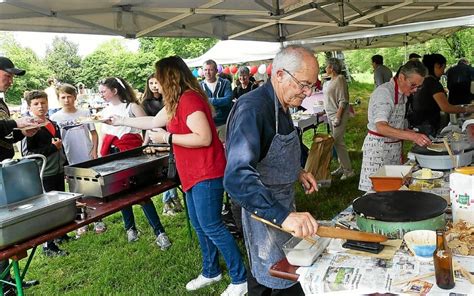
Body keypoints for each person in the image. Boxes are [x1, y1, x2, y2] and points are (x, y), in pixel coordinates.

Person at [107, 56, 248, 296]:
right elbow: (152, 120)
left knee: (212, 225)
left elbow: (203, 137)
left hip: (207, 171)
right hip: (192, 173)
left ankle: (240, 278)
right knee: (199, 224)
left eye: (159, 79)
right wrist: (118, 120)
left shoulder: (190, 99)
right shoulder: (176, 101)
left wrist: (168, 138)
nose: (156, 84)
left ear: (169, 78)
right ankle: (211, 271)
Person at [224, 46, 320, 295]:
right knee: (271, 271)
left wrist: (298, 170)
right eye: (303, 84)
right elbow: (237, 176)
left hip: (283, 201)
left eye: (312, 86)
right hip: (260, 206)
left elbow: (276, 147)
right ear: (279, 75)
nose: (307, 92)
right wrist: (284, 217)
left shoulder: (283, 104)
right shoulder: (253, 109)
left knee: (282, 271)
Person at [99, 77, 171, 250]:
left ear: (115, 91)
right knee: (120, 193)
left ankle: (159, 232)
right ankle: (130, 228)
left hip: (131, 153)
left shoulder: (131, 107)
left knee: (141, 193)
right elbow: (105, 133)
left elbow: (149, 125)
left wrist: (145, 145)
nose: (101, 94)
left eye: (103, 91)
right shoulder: (104, 110)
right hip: (113, 155)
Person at [0, 56, 42, 295]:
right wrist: (15, 122)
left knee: (5, 228)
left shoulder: (2, 103)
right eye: (7, 75)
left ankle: (8, 280)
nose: (11, 81)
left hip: (4, 169)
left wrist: (23, 133)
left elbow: (5, 136)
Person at [359, 60, 432, 192]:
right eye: (413, 85)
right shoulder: (384, 93)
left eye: (418, 87)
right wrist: (412, 136)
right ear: (402, 77)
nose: (415, 90)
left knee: (394, 190)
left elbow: (395, 122)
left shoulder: (403, 94)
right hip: (378, 150)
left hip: (393, 148)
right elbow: (381, 127)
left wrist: (410, 131)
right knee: (376, 192)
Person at [50, 83, 105, 236]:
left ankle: (98, 219)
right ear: (58, 99)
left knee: (93, 188)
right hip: (69, 157)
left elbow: (93, 133)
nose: (66, 100)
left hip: (87, 155)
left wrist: (94, 151)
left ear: (75, 97)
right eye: (63, 97)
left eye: (69, 96)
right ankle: (82, 220)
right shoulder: (55, 118)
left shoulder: (84, 112)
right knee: (76, 191)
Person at [21, 90, 69, 257]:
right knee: (49, 207)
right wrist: (51, 148)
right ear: (29, 107)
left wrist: (65, 165)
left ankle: (61, 234)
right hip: (44, 172)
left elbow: (60, 147)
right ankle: (48, 245)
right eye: (36, 104)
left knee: (61, 202)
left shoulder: (53, 123)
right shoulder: (29, 127)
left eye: (43, 103)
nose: (40, 106)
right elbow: (27, 154)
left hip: (58, 169)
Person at [141, 74, 183, 216]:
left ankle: (173, 198)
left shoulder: (170, 100)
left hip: (171, 137)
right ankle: (169, 200)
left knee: (172, 169)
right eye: (151, 83)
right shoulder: (146, 103)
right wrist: (145, 144)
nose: (154, 86)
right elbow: (148, 124)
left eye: (156, 82)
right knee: (167, 171)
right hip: (158, 138)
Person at [409, 54, 474, 136]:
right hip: (428, 125)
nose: (443, 72)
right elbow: (446, 108)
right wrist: (468, 109)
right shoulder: (433, 83)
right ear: (437, 65)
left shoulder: (422, 80)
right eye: (443, 68)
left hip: (418, 123)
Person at [323, 58, 354, 180]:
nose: (325, 68)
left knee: (338, 142)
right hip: (330, 115)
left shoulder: (340, 79)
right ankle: (343, 166)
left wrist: (338, 117)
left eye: (327, 66)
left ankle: (349, 171)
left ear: (332, 67)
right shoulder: (330, 80)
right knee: (336, 142)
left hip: (337, 115)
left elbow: (343, 100)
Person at [200, 59, 233, 142]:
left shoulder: (225, 83)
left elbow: (228, 100)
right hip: (206, 124)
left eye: (210, 69)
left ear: (216, 71)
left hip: (223, 123)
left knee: (224, 149)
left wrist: (208, 101)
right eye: (205, 70)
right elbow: (198, 104)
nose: (208, 72)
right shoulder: (199, 86)